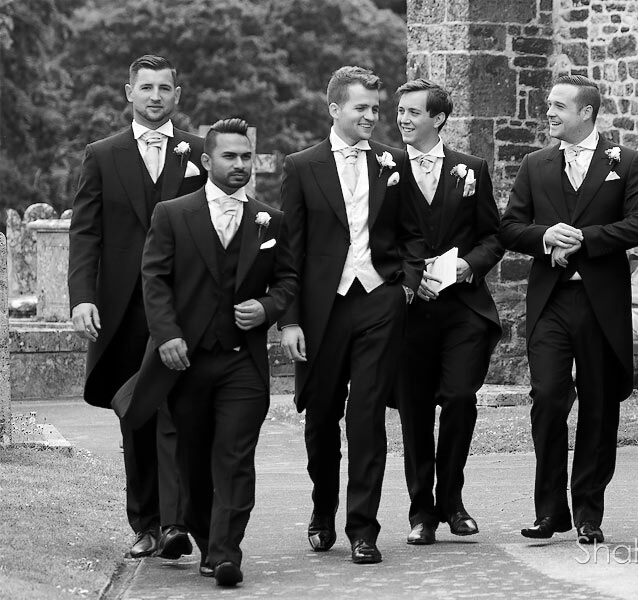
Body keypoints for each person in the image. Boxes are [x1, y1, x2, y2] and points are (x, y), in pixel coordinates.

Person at [119, 118, 298, 586]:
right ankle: (203, 533)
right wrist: (168, 334)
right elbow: (153, 279)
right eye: (229, 156)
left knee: (235, 456)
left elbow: (287, 282)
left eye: (245, 157)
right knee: (193, 462)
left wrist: (268, 307)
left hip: (243, 361)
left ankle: (224, 554)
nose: (239, 165)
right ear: (206, 161)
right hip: (185, 361)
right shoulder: (172, 214)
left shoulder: (269, 220)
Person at [278, 66, 425, 564]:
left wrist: (404, 284)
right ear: (335, 108)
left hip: (379, 301)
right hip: (322, 310)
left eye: (375, 108)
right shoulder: (301, 167)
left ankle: (364, 529)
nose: (371, 116)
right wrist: (290, 320)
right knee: (321, 414)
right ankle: (323, 510)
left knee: (366, 417)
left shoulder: (393, 161)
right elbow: (289, 252)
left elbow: (412, 233)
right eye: (361, 107)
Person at [499, 75, 638, 543]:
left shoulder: (626, 162)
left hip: (600, 304)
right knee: (547, 398)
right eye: (549, 104)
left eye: (558, 105)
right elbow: (509, 227)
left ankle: (589, 511)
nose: (548, 112)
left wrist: (585, 239)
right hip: (550, 302)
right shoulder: (534, 164)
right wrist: (545, 236)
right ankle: (550, 511)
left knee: (599, 406)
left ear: (586, 112)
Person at [67, 54, 204, 560]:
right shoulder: (101, 155)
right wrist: (82, 298)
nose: (155, 96)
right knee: (135, 415)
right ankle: (145, 524)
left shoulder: (200, 153)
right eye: (145, 87)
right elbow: (86, 234)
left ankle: (176, 523)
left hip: (183, 308)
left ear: (177, 94)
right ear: (128, 92)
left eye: (164, 88)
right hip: (122, 311)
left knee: (180, 414)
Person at [392, 79, 504, 545]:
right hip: (408, 310)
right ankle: (422, 512)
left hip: (462, 309)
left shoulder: (471, 169)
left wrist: (466, 266)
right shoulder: (385, 168)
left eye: (413, 112)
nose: (402, 119)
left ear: (437, 119)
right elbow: (375, 236)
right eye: (399, 111)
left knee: (460, 397)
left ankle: (453, 501)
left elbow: (493, 237)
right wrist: (409, 277)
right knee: (414, 410)